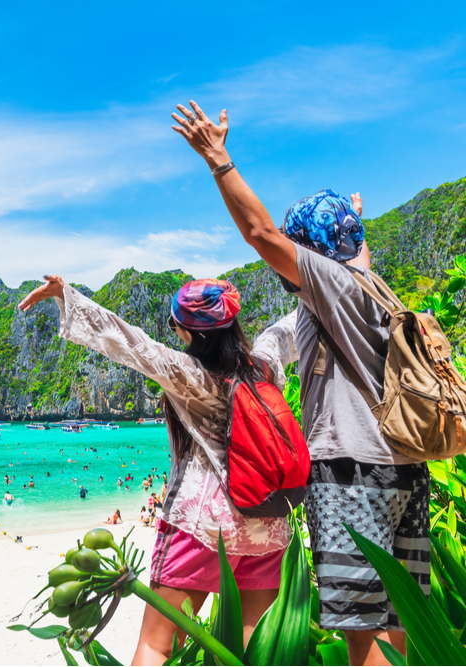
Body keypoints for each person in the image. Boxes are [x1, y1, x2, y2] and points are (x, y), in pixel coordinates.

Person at [171, 99, 427, 666]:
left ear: (313, 252)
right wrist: (351, 213)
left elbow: (260, 233)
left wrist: (218, 159)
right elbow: (352, 244)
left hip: (350, 475)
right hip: (404, 470)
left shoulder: (333, 288)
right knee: (397, 621)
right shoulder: (373, 287)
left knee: (362, 636)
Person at [19, 273, 297, 665]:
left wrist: (67, 295)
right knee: (257, 652)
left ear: (188, 332)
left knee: (158, 646)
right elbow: (288, 328)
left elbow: (131, 344)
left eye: (175, 325)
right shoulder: (265, 367)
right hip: (265, 523)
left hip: (204, 525)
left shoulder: (191, 376)